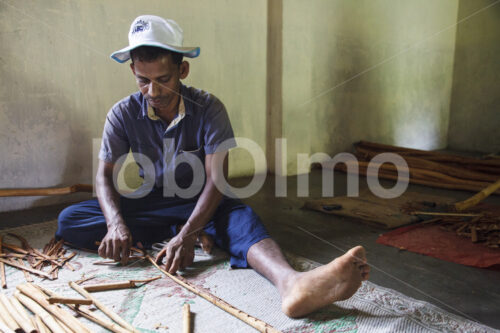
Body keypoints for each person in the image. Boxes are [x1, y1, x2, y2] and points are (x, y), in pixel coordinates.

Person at [56, 15, 370, 317]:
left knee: (241, 220)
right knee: (71, 219)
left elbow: (217, 180)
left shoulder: (208, 108)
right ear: (134, 74)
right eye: (143, 81)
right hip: (151, 203)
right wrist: (115, 223)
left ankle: (292, 283)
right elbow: (104, 175)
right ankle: (175, 230)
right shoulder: (122, 113)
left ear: (183, 70)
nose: (153, 92)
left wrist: (191, 231)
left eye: (163, 80)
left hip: (204, 200)